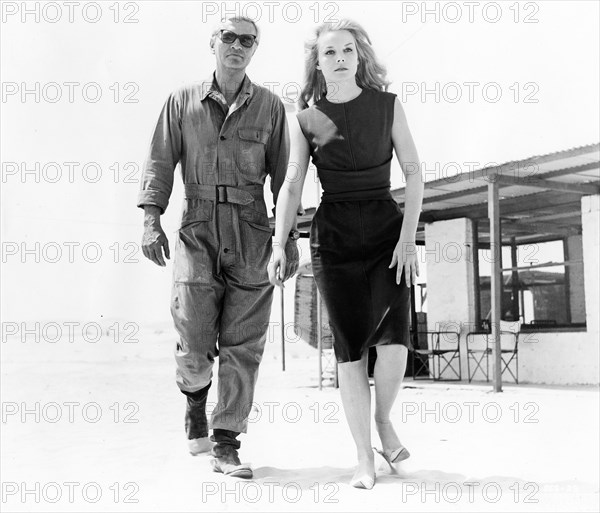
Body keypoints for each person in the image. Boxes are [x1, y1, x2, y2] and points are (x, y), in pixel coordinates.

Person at [138, 16, 299, 479]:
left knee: (243, 345)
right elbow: (160, 158)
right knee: (193, 341)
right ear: (213, 42)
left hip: (252, 230)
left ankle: (226, 441)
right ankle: (194, 399)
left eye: (247, 40)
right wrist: (151, 218)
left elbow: (286, 178)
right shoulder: (182, 100)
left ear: (255, 49)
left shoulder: (269, 107)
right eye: (228, 36)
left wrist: (286, 240)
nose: (237, 45)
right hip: (197, 227)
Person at [268, 19, 424, 489]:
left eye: (348, 51)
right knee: (350, 348)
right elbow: (293, 182)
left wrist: (407, 239)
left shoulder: (388, 107)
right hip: (332, 237)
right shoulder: (305, 120)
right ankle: (363, 458)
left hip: (386, 230)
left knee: (396, 340)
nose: (340, 58)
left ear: (360, 58)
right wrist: (279, 242)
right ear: (318, 62)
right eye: (330, 52)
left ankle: (382, 421)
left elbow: (415, 175)